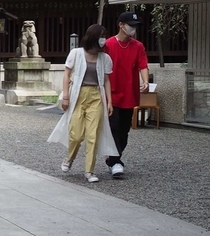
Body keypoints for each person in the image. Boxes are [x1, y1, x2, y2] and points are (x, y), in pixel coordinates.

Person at [49, 24, 116, 183]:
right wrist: (65, 96)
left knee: (93, 135)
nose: (103, 40)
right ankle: (69, 158)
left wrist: (109, 101)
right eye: (101, 36)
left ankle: (89, 171)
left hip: (96, 96)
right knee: (77, 135)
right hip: (77, 96)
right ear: (93, 37)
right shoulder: (76, 53)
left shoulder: (105, 58)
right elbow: (67, 75)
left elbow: (106, 80)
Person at [102, 10, 149, 178]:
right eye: (131, 25)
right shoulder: (108, 45)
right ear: (121, 25)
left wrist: (145, 81)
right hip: (112, 94)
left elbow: (142, 65)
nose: (133, 29)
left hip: (130, 93)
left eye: (135, 26)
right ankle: (115, 162)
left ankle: (113, 160)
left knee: (124, 130)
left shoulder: (138, 46)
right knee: (114, 127)